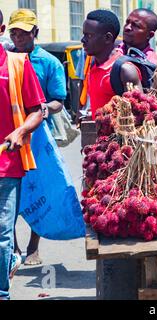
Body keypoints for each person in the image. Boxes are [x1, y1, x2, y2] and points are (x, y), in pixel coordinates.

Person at [7, 9, 69, 265]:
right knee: (9, 193)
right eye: (14, 32)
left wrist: (41, 109)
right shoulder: (5, 59)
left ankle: (33, 246)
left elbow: (59, 101)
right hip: (7, 133)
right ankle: (13, 247)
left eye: (23, 32)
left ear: (35, 32)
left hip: (37, 135)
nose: (18, 37)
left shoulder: (48, 63)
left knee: (38, 191)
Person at [0, 8, 45, 300]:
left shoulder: (17, 64)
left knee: (2, 234)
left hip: (6, 163)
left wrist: (20, 131)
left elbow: (38, 109)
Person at [81, 9, 143, 120]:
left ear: (107, 38)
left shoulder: (125, 70)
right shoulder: (94, 65)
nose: (83, 40)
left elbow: (139, 115)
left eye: (89, 35)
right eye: (84, 35)